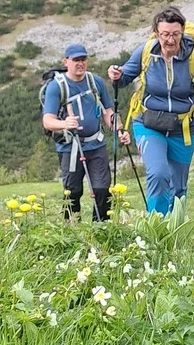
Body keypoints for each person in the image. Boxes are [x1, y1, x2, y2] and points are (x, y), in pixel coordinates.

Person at [108, 6, 194, 215]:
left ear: (182, 32)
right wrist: (116, 74)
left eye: (175, 34)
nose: (170, 40)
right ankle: (155, 230)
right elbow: (123, 79)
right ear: (156, 33)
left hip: (183, 129)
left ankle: (174, 235)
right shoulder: (146, 52)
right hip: (148, 124)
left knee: (179, 189)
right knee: (158, 174)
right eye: (165, 34)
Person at [41, 43, 129, 221]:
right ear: (66, 62)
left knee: (102, 190)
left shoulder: (95, 82)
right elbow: (47, 121)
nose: (80, 63)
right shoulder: (56, 87)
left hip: (96, 144)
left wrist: (119, 129)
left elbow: (108, 112)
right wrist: (65, 123)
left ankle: (102, 229)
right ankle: (72, 230)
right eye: (76, 60)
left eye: (83, 59)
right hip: (69, 148)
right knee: (72, 192)